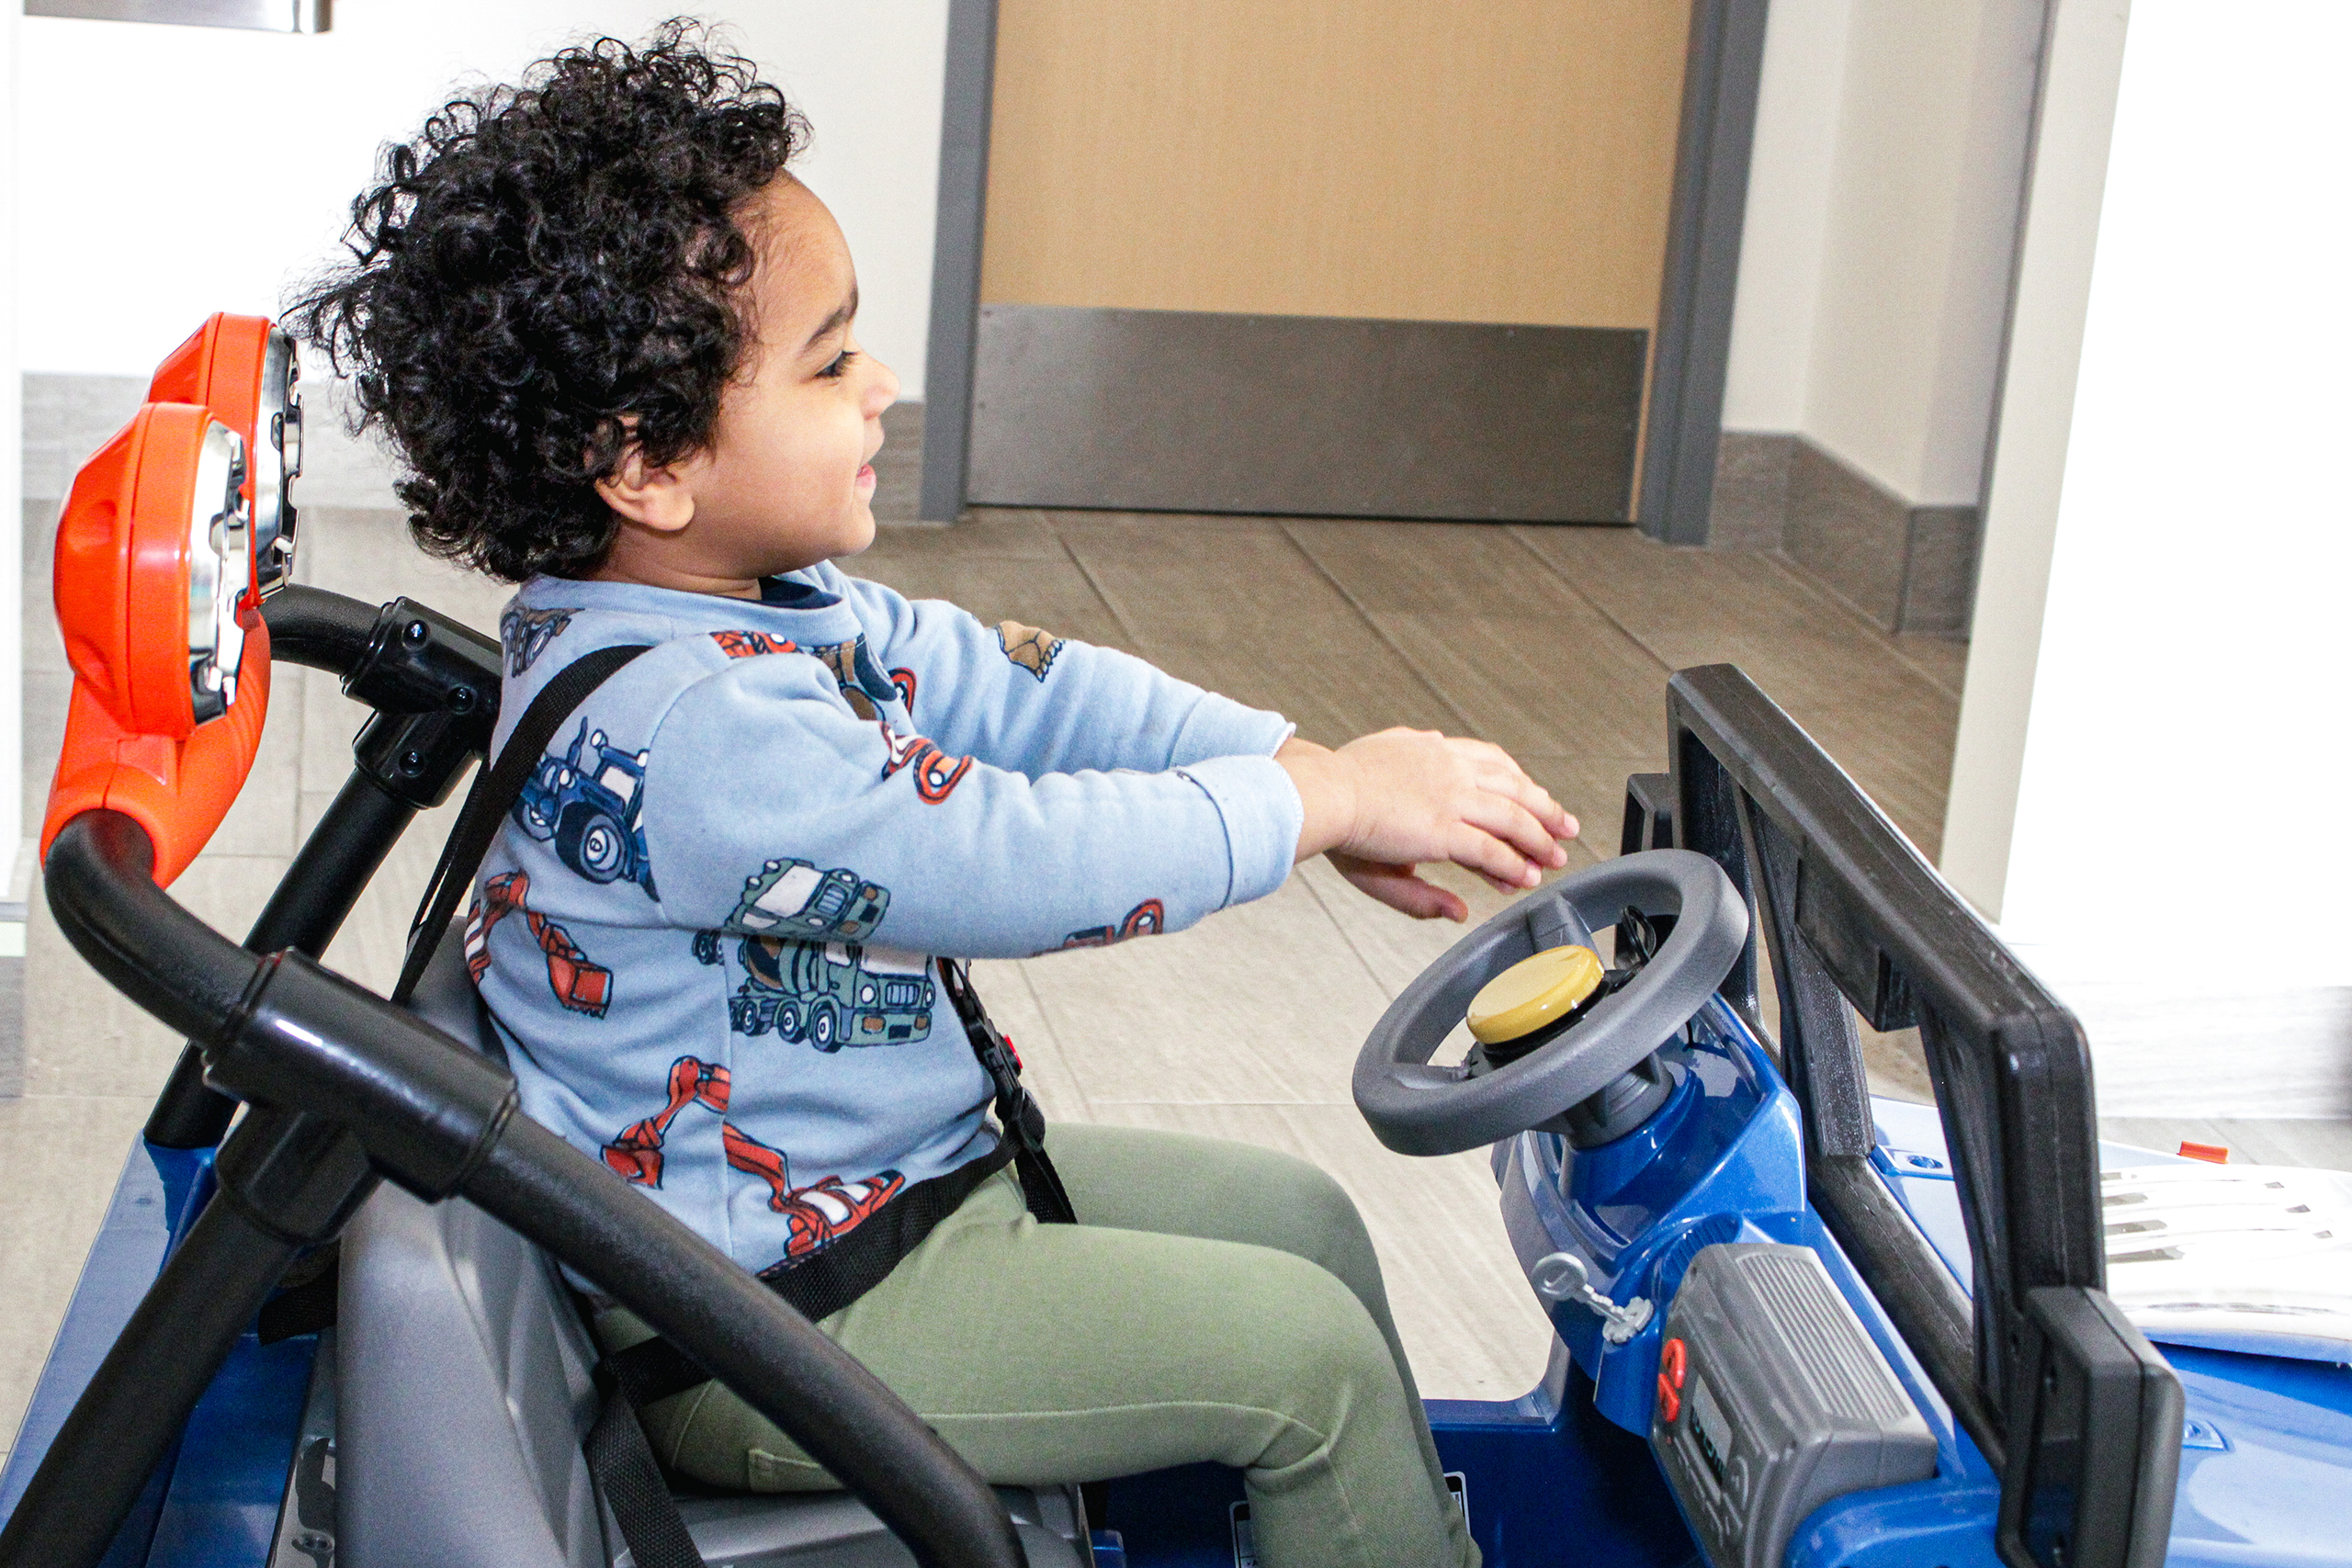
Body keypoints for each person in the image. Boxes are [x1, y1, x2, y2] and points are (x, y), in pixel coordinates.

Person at [291, 25, 1575, 1568]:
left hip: (879, 1209)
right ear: (646, 465)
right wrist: (1314, 813)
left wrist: (1305, 766)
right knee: (1307, 1368)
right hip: (769, 1326)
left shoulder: (754, 599)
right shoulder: (695, 728)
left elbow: (1016, 685)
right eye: (830, 363)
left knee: (1306, 1226)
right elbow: (1001, 860)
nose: (881, 384)